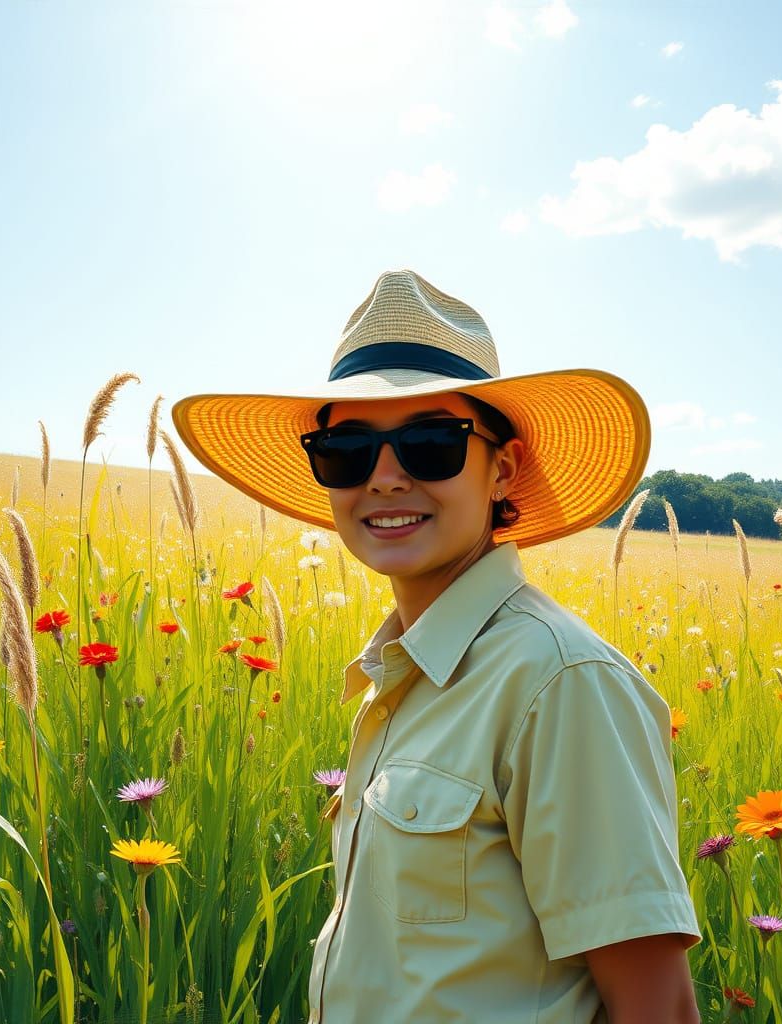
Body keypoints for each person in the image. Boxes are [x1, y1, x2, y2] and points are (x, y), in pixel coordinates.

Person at [172, 269, 702, 1023]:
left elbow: (657, 1007)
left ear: (503, 469)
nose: (385, 478)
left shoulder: (559, 682)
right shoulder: (399, 674)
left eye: (429, 443)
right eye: (346, 449)